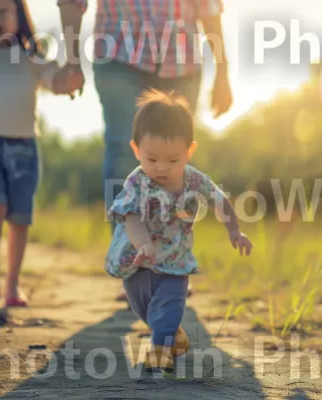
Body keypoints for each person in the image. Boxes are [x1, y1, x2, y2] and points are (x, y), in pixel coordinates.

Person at [57, 0, 233, 301]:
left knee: (175, 163)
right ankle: (132, 265)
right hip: (119, 57)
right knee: (126, 153)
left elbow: (209, 9)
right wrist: (72, 60)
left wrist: (223, 72)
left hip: (182, 61)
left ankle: (171, 265)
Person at [105, 89, 251, 372]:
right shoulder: (136, 181)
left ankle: (159, 353)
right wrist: (143, 244)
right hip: (137, 260)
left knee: (168, 305)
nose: (161, 167)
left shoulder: (193, 179)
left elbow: (218, 199)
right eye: (151, 159)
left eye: (173, 160)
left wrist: (234, 230)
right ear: (136, 150)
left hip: (175, 259)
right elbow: (130, 216)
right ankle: (174, 338)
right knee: (146, 309)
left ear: (189, 151)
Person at [0, 0, 83, 307]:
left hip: (23, 145)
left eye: (6, 10)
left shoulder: (31, 56)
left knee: (20, 217)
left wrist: (69, 80)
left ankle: (12, 285)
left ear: (20, 16)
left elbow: (56, 80)